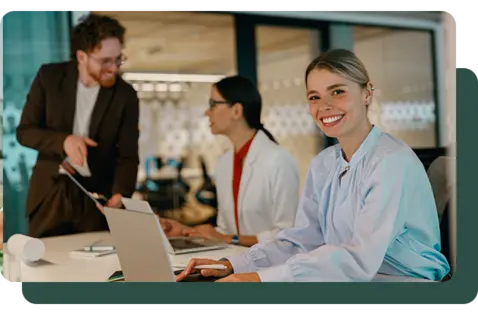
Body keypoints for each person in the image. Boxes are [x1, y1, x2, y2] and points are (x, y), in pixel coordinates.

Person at [176, 49, 451, 282]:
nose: (325, 106)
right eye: (314, 97)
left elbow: (359, 257)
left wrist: (261, 278)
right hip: (351, 278)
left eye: (338, 92)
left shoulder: (391, 161)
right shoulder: (324, 164)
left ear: (367, 93)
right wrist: (234, 265)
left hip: (403, 281)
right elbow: (302, 240)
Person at [16, 13, 139, 238]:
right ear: (82, 56)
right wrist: (64, 141)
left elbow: (128, 155)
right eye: (105, 61)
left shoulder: (126, 95)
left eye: (118, 59)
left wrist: (121, 194)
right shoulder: (49, 77)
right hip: (50, 195)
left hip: (97, 201)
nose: (113, 68)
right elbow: (25, 132)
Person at [161, 75, 300, 247]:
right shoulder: (225, 163)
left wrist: (229, 239)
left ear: (236, 110)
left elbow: (289, 235)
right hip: (237, 263)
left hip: (273, 267)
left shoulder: (278, 160)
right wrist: (183, 231)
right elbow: (224, 232)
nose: (207, 112)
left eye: (213, 104)